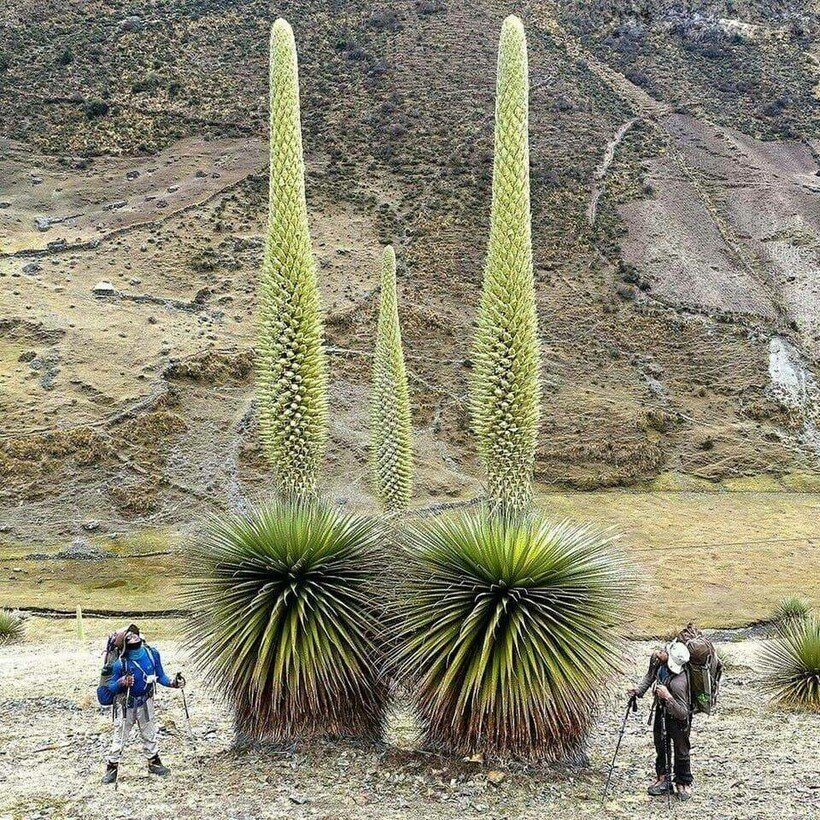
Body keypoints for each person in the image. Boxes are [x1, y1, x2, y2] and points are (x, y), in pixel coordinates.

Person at [102, 624, 184, 785]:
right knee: (119, 737)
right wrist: (121, 682)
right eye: (129, 637)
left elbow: (160, 676)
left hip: (146, 701)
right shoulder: (120, 664)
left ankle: (154, 763)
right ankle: (112, 768)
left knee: (150, 733)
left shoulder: (152, 654)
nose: (134, 637)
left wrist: (174, 683)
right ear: (125, 645)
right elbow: (110, 688)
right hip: (126, 705)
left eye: (134, 635)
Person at [628, 640, 693, 802]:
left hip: (677, 718)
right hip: (661, 711)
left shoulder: (679, 682)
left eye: (665, 651)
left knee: (681, 748)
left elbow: (683, 712)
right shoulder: (659, 662)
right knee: (660, 743)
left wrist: (668, 697)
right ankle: (663, 778)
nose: (660, 652)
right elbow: (650, 676)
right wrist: (638, 690)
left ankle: (683, 782)